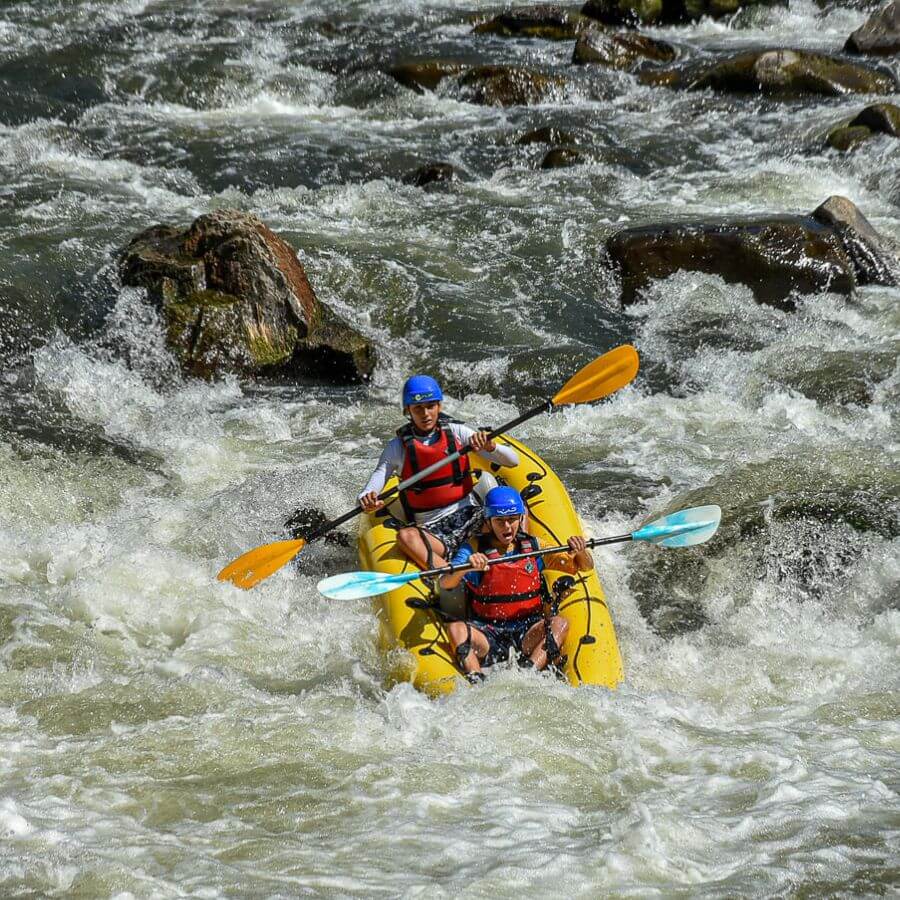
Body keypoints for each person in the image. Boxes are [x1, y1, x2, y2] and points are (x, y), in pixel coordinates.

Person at [359, 375, 519, 569]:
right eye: (418, 408)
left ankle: (522, 560)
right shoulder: (397, 448)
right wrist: (367, 498)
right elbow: (374, 482)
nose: (425, 414)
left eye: (430, 406)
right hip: (433, 529)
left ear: (439, 407)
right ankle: (447, 576)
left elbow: (513, 461)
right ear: (407, 410)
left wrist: (491, 446)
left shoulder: (457, 432)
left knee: (514, 507)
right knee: (406, 536)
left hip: (471, 516)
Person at [439, 485, 592, 681]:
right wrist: (467, 567)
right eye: (500, 521)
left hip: (527, 630)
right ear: (488, 521)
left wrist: (580, 551)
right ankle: (476, 680)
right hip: (489, 632)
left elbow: (585, 567)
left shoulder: (535, 546)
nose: (507, 527)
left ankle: (529, 673)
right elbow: (445, 582)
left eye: (512, 520)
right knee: (456, 629)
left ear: (520, 519)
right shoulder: (474, 548)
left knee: (560, 623)